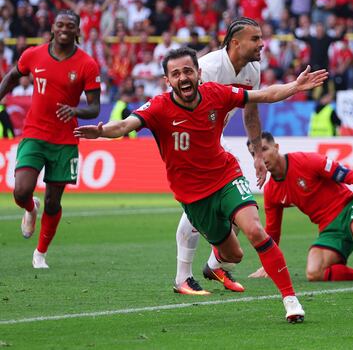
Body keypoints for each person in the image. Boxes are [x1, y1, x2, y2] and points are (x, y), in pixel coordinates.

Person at [75, 47, 328, 323]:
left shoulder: (216, 94)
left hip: (226, 176)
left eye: (187, 71)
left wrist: (295, 86)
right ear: (167, 81)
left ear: (198, 74)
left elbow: (263, 95)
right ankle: (213, 265)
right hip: (194, 196)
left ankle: (290, 300)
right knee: (235, 254)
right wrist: (101, 132)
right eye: (176, 74)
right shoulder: (159, 107)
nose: (183, 77)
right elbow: (125, 126)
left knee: (255, 230)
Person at [0, 10, 101, 269]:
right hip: (34, 133)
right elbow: (12, 76)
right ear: (53, 28)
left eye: (70, 25)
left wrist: (76, 110)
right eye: (60, 24)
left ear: (77, 30)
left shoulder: (87, 64)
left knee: (54, 201)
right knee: (21, 190)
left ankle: (40, 253)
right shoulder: (33, 54)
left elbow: (94, 108)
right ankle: (30, 208)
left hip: (65, 140)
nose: (65, 29)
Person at [174, 17, 267, 296]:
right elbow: (182, 105)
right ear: (235, 43)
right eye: (256, 39)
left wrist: (258, 154)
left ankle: (211, 266)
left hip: (214, 139)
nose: (262, 44)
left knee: (231, 207)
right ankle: (185, 277)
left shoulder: (253, 70)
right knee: (203, 203)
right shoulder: (210, 68)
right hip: (191, 140)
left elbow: (250, 112)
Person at [247, 132, 353, 282]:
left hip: (350, 208)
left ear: (276, 147)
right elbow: (273, 231)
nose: (260, 157)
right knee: (314, 273)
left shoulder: (307, 161)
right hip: (328, 228)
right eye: (254, 154)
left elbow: (351, 175)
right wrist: (268, 263)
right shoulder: (271, 191)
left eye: (264, 149)